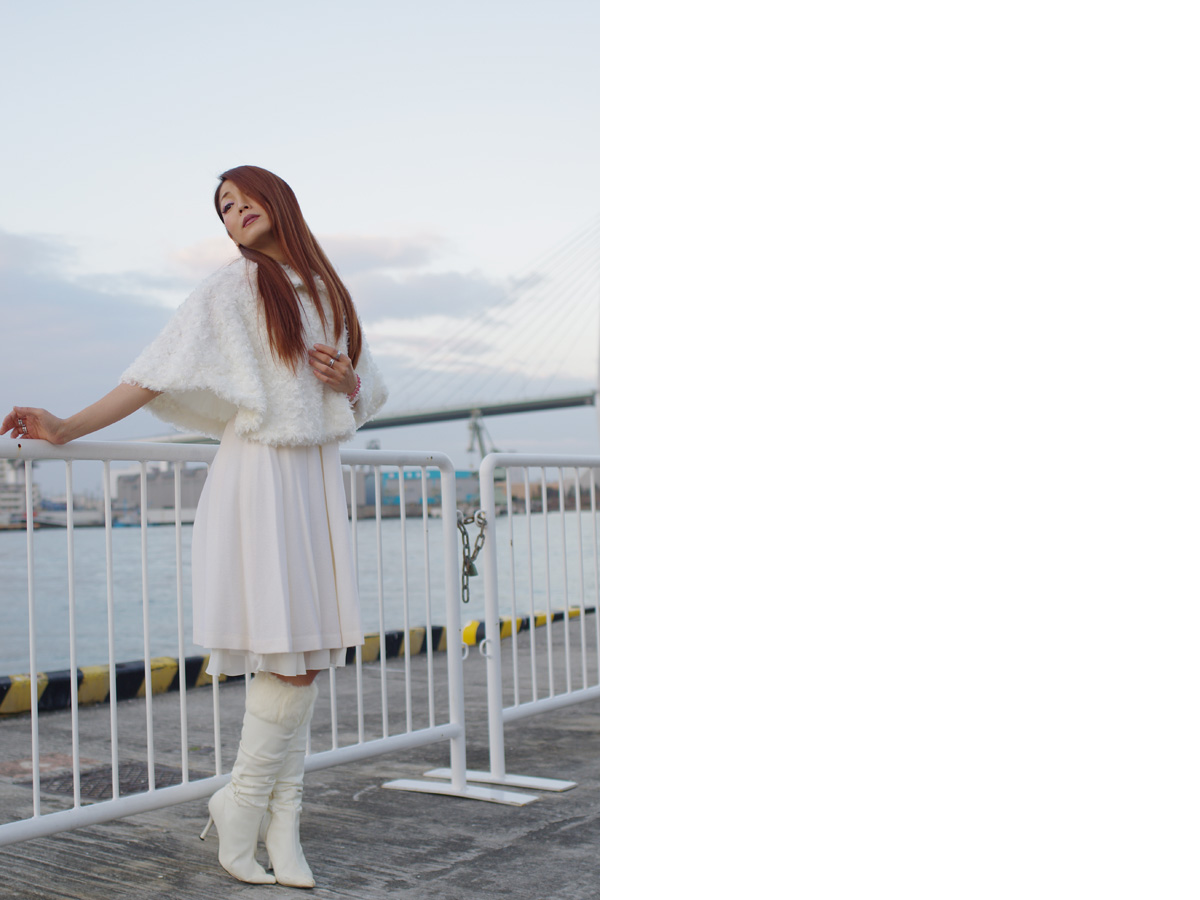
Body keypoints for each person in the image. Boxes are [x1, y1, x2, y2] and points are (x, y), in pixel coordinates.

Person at [2, 165, 388, 887]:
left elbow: (369, 393)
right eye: (224, 208)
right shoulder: (233, 288)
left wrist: (350, 384)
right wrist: (66, 426)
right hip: (260, 478)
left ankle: (276, 821)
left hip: (313, 480)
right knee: (288, 656)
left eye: (242, 199)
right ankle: (245, 810)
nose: (234, 213)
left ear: (277, 199)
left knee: (306, 657)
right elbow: (154, 370)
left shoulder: (330, 292)